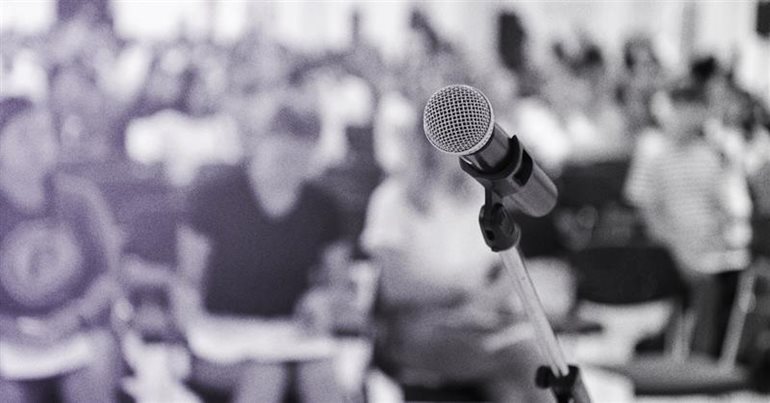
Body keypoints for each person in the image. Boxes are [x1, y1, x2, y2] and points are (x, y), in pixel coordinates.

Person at [362, 116, 553, 402]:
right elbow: (396, 287)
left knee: (514, 382)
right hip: (416, 327)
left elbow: (510, 267)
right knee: (523, 356)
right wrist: (460, 296)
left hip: (476, 319)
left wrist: (482, 302)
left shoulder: (479, 195)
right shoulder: (392, 198)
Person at [175, 100, 348, 403]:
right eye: (282, 158)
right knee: (265, 375)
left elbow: (338, 284)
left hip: (293, 335)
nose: (290, 170)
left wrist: (323, 301)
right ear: (259, 144)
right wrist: (193, 326)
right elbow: (188, 281)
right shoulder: (212, 195)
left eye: (301, 161)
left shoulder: (324, 207)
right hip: (224, 336)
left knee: (323, 378)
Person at [0, 97, 120, 402]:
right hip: (9, 339)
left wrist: (75, 318)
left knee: (90, 381)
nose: (37, 146)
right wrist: (9, 329)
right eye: (23, 136)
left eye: (44, 133)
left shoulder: (80, 200)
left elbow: (109, 277)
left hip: (77, 331)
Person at [623, 82, 751, 357]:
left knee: (734, 273)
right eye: (679, 109)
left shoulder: (713, 155)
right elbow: (647, 212)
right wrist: (676, 249)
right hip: (669, 247)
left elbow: (732, 208)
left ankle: (715, 355)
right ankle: (696, 356)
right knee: (701, 279)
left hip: (711, 247)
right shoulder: (653, 152)